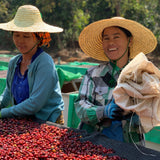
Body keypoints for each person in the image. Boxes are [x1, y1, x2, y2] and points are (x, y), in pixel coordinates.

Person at [75, 17, 157, 145]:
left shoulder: (143, 77)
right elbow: (80, 106)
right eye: (106, 38)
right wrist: (104, 111)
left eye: (116, 37)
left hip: (129, 146)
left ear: (129, 41)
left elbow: (152, 116)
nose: (110, 43)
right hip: (94, 143)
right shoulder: (93, 74)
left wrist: (130, 115)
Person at [0, 5, 64, 124]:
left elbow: (35, 103)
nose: (20, 41)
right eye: (16, 35)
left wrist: (3, 113)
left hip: (47, 121)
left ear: (38, 39)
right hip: (23, 121)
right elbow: (7, 94)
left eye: (26, 36)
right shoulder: (14, 62)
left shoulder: (45, 62)